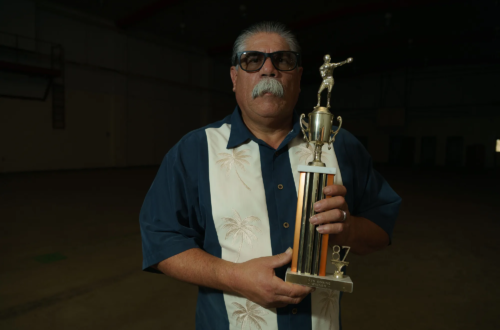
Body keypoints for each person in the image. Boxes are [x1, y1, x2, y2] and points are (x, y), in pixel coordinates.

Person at [140, 21, 401, 330]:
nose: (268, 69)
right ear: (234, 77)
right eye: (253, 60)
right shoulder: (194, 152)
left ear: (299, 77)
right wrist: (234, 277)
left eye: (283, 60)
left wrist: (347, 230)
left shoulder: (340, 144)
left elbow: (381, 227)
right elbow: (160, 240)